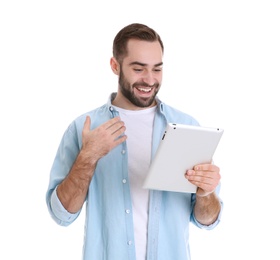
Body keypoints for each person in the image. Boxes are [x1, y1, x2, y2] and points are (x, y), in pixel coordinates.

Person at [46, 23, 223, 260]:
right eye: (139, 69)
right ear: (115, 66)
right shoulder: (84, 128)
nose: (149, 79)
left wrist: (206, 193)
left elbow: (208, 221)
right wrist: (88, 157)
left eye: (157, 69)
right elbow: (61, 214)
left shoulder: (187, 127)